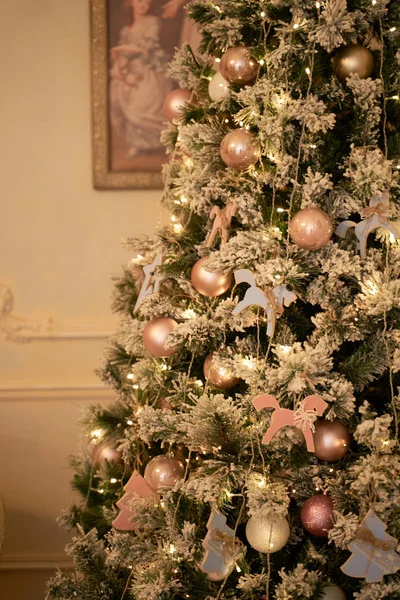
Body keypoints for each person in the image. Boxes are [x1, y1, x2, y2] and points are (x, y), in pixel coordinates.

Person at [110, 0, 173, 157]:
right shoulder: (126, 30)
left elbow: (146, 49)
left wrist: (122, 49)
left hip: (148, 68)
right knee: (116, 90)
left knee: (145, 97)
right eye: (139, 1)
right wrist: (120, 69)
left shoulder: (153, 22)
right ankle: (137, 143)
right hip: (131, 69)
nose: (143, 5)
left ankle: (163, 142)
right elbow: (121, 57)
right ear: (131, 3)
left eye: (147, 2)